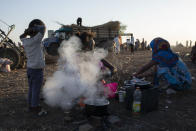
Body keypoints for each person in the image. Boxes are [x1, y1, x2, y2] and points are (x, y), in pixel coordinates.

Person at [20, 19, 47, 116]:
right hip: (37, 70)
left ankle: (31, 106)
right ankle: (35, 108)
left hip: (30, 69)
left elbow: (21, 36)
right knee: (36, 89)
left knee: (32, 88)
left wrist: (27, 31)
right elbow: (43, 28)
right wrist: (34, 28)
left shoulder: (25, 41)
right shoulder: (36, 40)